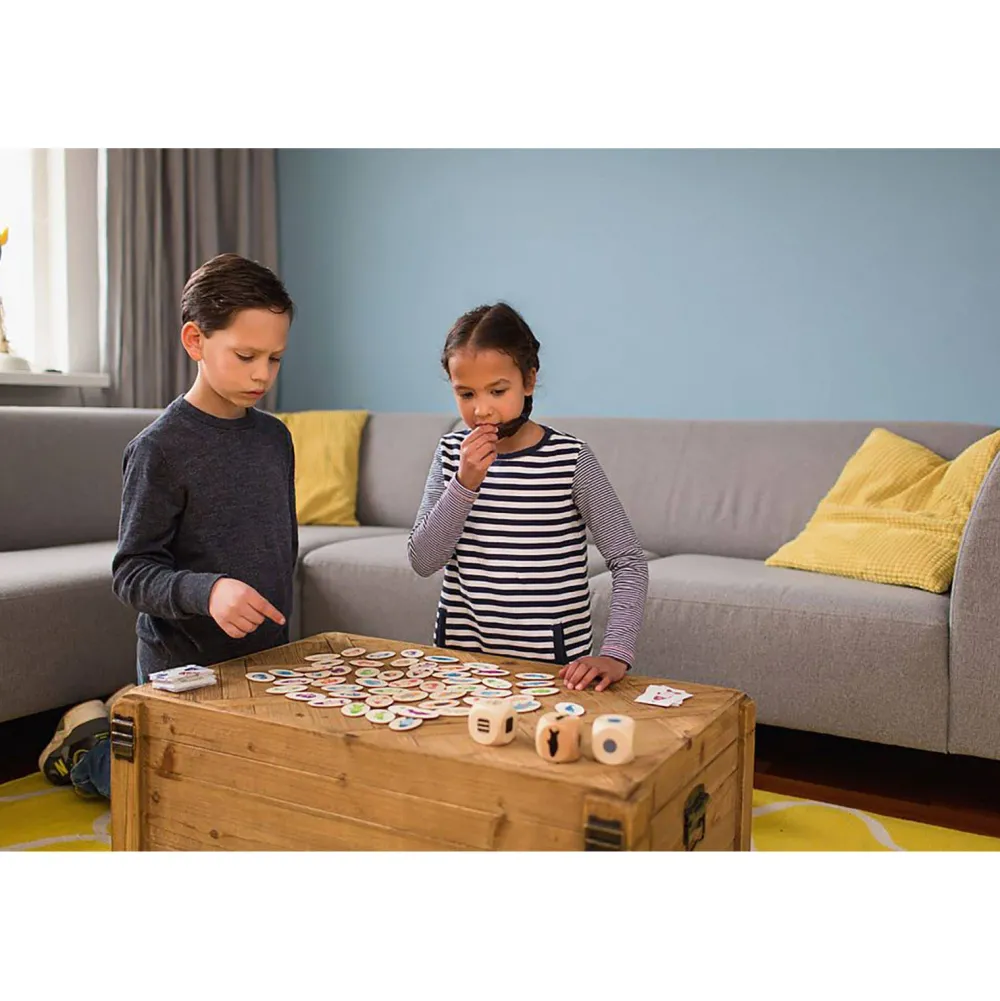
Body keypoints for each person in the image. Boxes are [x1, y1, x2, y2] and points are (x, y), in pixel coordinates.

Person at [38, 253, 297, 798]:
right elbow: (132, 572)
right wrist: (209, 591)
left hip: (262, 666)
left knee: (271, 790)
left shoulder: (275, 439)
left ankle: (119, 721)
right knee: (181, 797)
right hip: (184, 669)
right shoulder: (159, 449)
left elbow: (277, 549)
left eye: (275, 358)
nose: (262, 374)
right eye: (246, 355)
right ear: (195, 341)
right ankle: (88, 748)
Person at [408, 302, 648, 692]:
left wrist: (616, 653)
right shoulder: (451, 455)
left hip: (553, 671)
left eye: (497, 391)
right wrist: (464, 484)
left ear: (529, 380)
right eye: (466, 393)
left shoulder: (570, 460)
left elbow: (629, 561)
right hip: (462, 665)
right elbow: (423, 561)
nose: (482, 409)